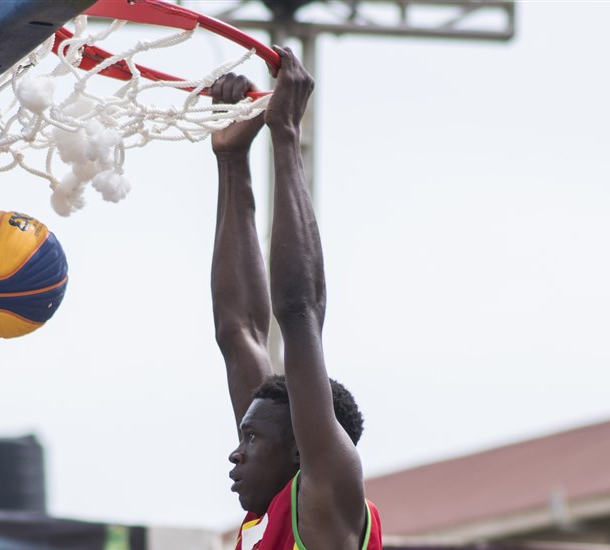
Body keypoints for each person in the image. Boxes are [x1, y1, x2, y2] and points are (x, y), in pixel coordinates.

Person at [209, 46, 383, 550]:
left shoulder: (326, 502)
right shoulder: (269, 518)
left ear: (303, 453)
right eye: (246, 437)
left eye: (253, 440)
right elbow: (237, 330)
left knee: (298, 326)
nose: (235, 455)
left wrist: (285, 134)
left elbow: (300, 312)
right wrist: (231, 160)